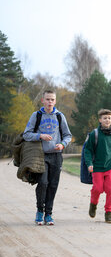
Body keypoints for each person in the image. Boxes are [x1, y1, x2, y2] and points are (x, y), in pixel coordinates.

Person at [23, 90, 72, 226]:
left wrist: (62, 144)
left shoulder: (60, 116)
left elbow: (68, 135)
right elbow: (26, 134)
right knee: (43, 183)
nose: (50, 102)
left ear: (55, 101)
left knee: (53, 185)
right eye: (47, 99)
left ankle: (48, 214)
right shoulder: (36, 116)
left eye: (52, 100)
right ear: (42, 101)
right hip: (40, 155)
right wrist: (40, 136)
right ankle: (40, 210)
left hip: (56, 156)